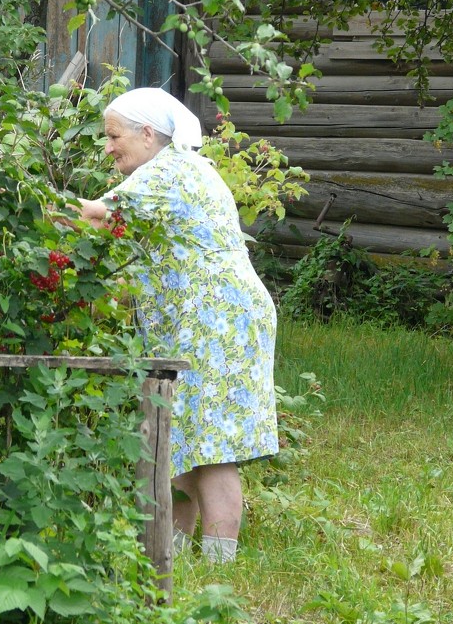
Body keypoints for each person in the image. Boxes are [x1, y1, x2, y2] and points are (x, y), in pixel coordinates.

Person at [75, 86, 278, 563]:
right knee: (181, 437)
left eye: (113, 136)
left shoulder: (171, 171)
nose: (107, 147)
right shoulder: (167, 174)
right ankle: (174, 556)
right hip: (203, 318)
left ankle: (219, 567)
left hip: (218, 319)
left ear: (148, 133)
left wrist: (18, 197)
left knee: (211, 443)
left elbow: (94, 218)